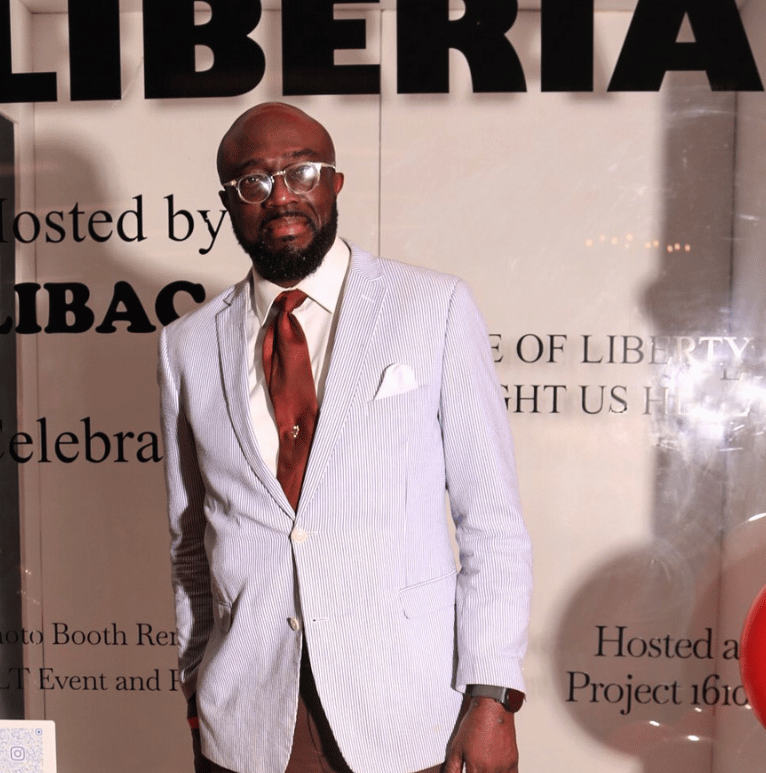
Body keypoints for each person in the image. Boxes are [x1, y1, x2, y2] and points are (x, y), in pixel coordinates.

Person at [158, 102, 532, 773]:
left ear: (335, 182)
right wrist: (195, 684)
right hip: (246, 720)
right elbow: (190, 537)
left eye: (302, 171)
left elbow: (492, 522)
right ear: (228, 203)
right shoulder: (185, 345)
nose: (281, 196)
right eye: (254, 181)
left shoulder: (433, 307)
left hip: (406, 711)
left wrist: (492, 696)